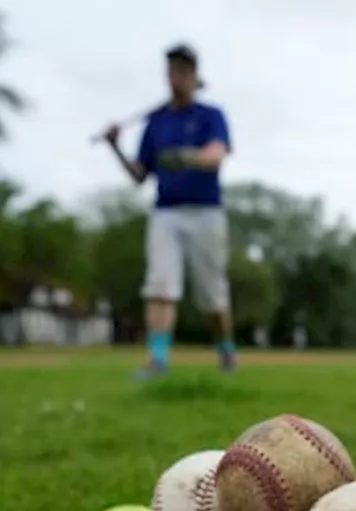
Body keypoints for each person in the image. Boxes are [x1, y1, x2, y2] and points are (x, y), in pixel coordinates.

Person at [101, 43, 236, 378]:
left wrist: (187, 157)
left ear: (195, 76)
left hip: (206, 212)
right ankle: (157, 360)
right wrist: (115, 146)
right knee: (160, 286)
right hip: (166, 213)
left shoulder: (210, 115)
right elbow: (138, 175)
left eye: (184, 71)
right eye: (173, 71)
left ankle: (226, 351)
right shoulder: (156, 123)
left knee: (212, 298)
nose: (177, 77)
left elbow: (217, 154)